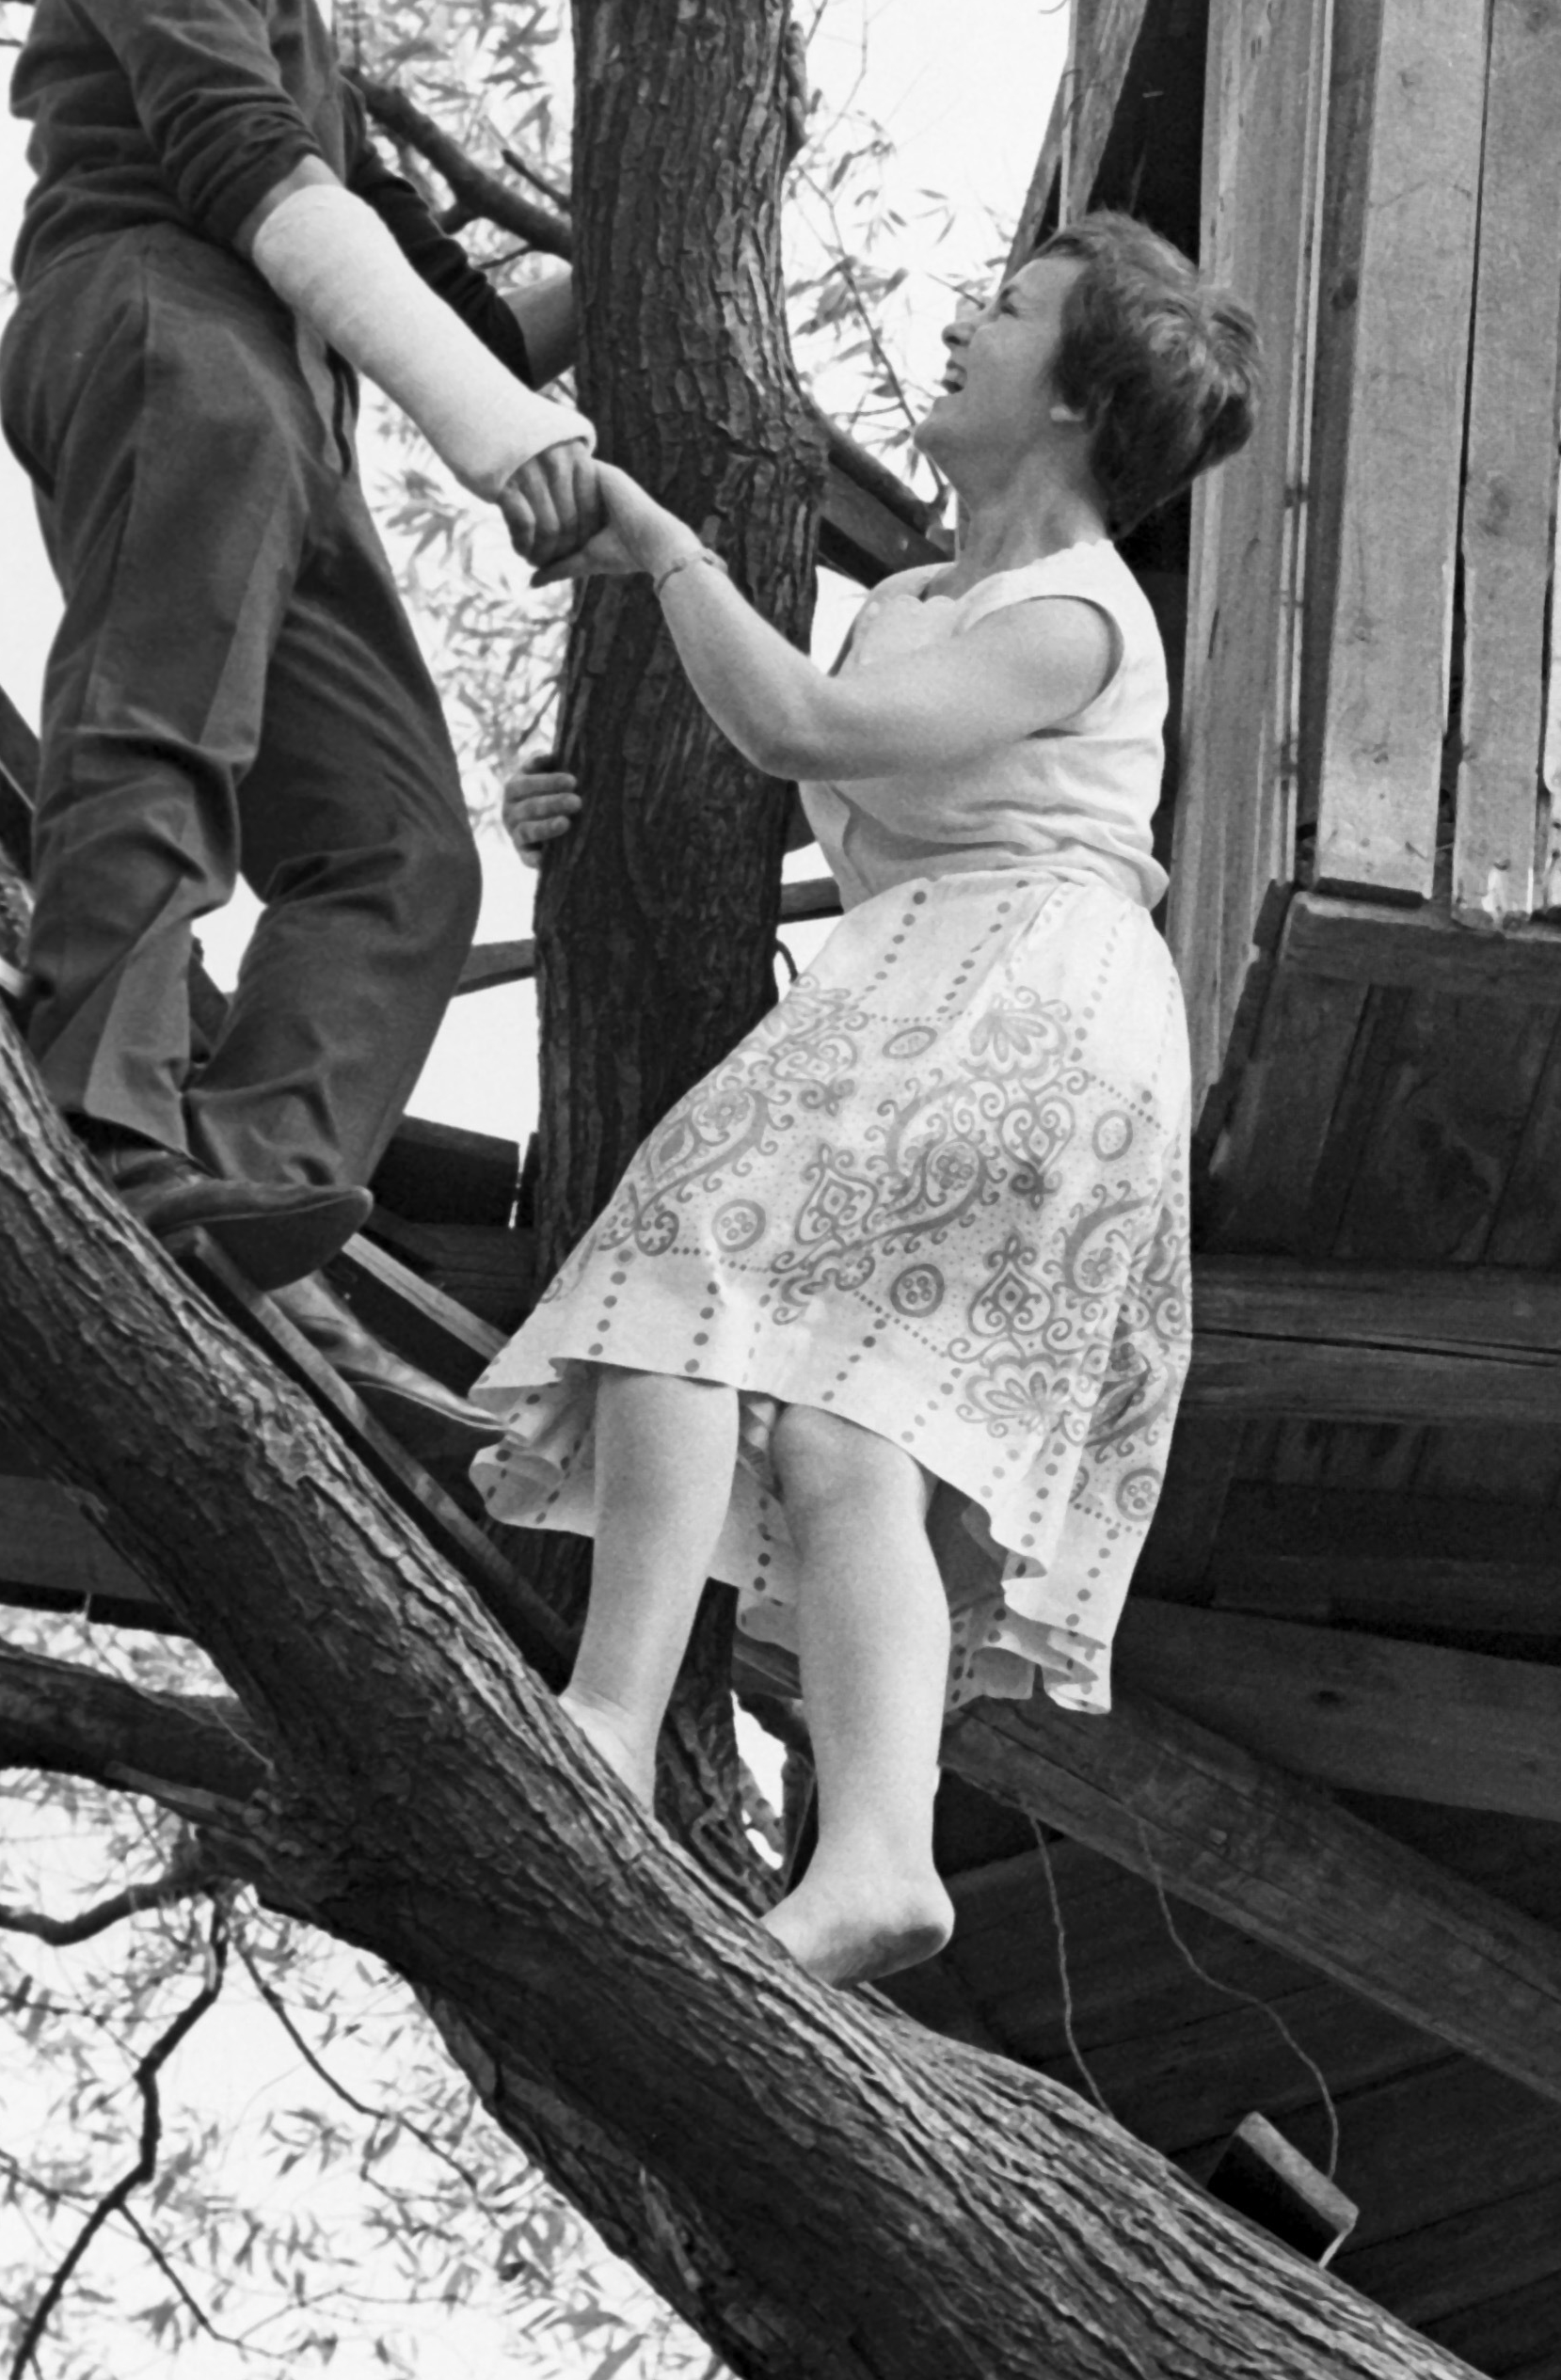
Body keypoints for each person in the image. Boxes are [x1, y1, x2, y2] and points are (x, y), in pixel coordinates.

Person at [471, 220, 1256, 1985]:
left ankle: (606, 1712)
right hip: (971, 989)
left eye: (1011, 312)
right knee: (844, 1433)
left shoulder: (1072, 610)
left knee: (684, 1255)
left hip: (1020, 990)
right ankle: (879, 1860)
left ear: (1073, 396)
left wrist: (664, 547)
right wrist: (568, 818)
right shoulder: (919, 605)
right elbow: (831, 782)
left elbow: (804, 731)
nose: (962, 324)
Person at [0, 0, 585, 1293]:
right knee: (165, 704)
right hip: (165, 319)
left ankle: (253, 1172)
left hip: (290, 404)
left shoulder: (310, 7)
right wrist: (495, 436)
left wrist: (648, 258)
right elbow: (243, 166)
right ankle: (103, 1118)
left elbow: (432, 307)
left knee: (403, 842)